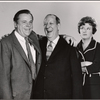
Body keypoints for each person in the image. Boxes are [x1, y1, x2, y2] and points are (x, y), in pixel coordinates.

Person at [33, 14, 83, 99]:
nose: (47, 26)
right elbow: (27, 35)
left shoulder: (69, 48)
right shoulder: (38, 44)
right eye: (45, 24)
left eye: (51, 23)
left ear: (58, 26)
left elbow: (77, 80)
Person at [0, 9, 42, 99]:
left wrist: (64, 36)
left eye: (30, 22)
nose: (28, 25)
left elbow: (47, 38)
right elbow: (3, 78)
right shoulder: (6, 43)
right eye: (24, 22)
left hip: (35, 95)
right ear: (15, 24)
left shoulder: (33, 36)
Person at [76, 16, 100, 99]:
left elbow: (97, 66)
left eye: (88, 28)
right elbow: (70, 65)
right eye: (82, 28)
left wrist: (80, 67)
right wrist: (87, 64)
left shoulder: (98, 47)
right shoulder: (74, 48)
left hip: (94, 87)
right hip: (78, 86)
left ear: (93, 31)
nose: (84, 31)